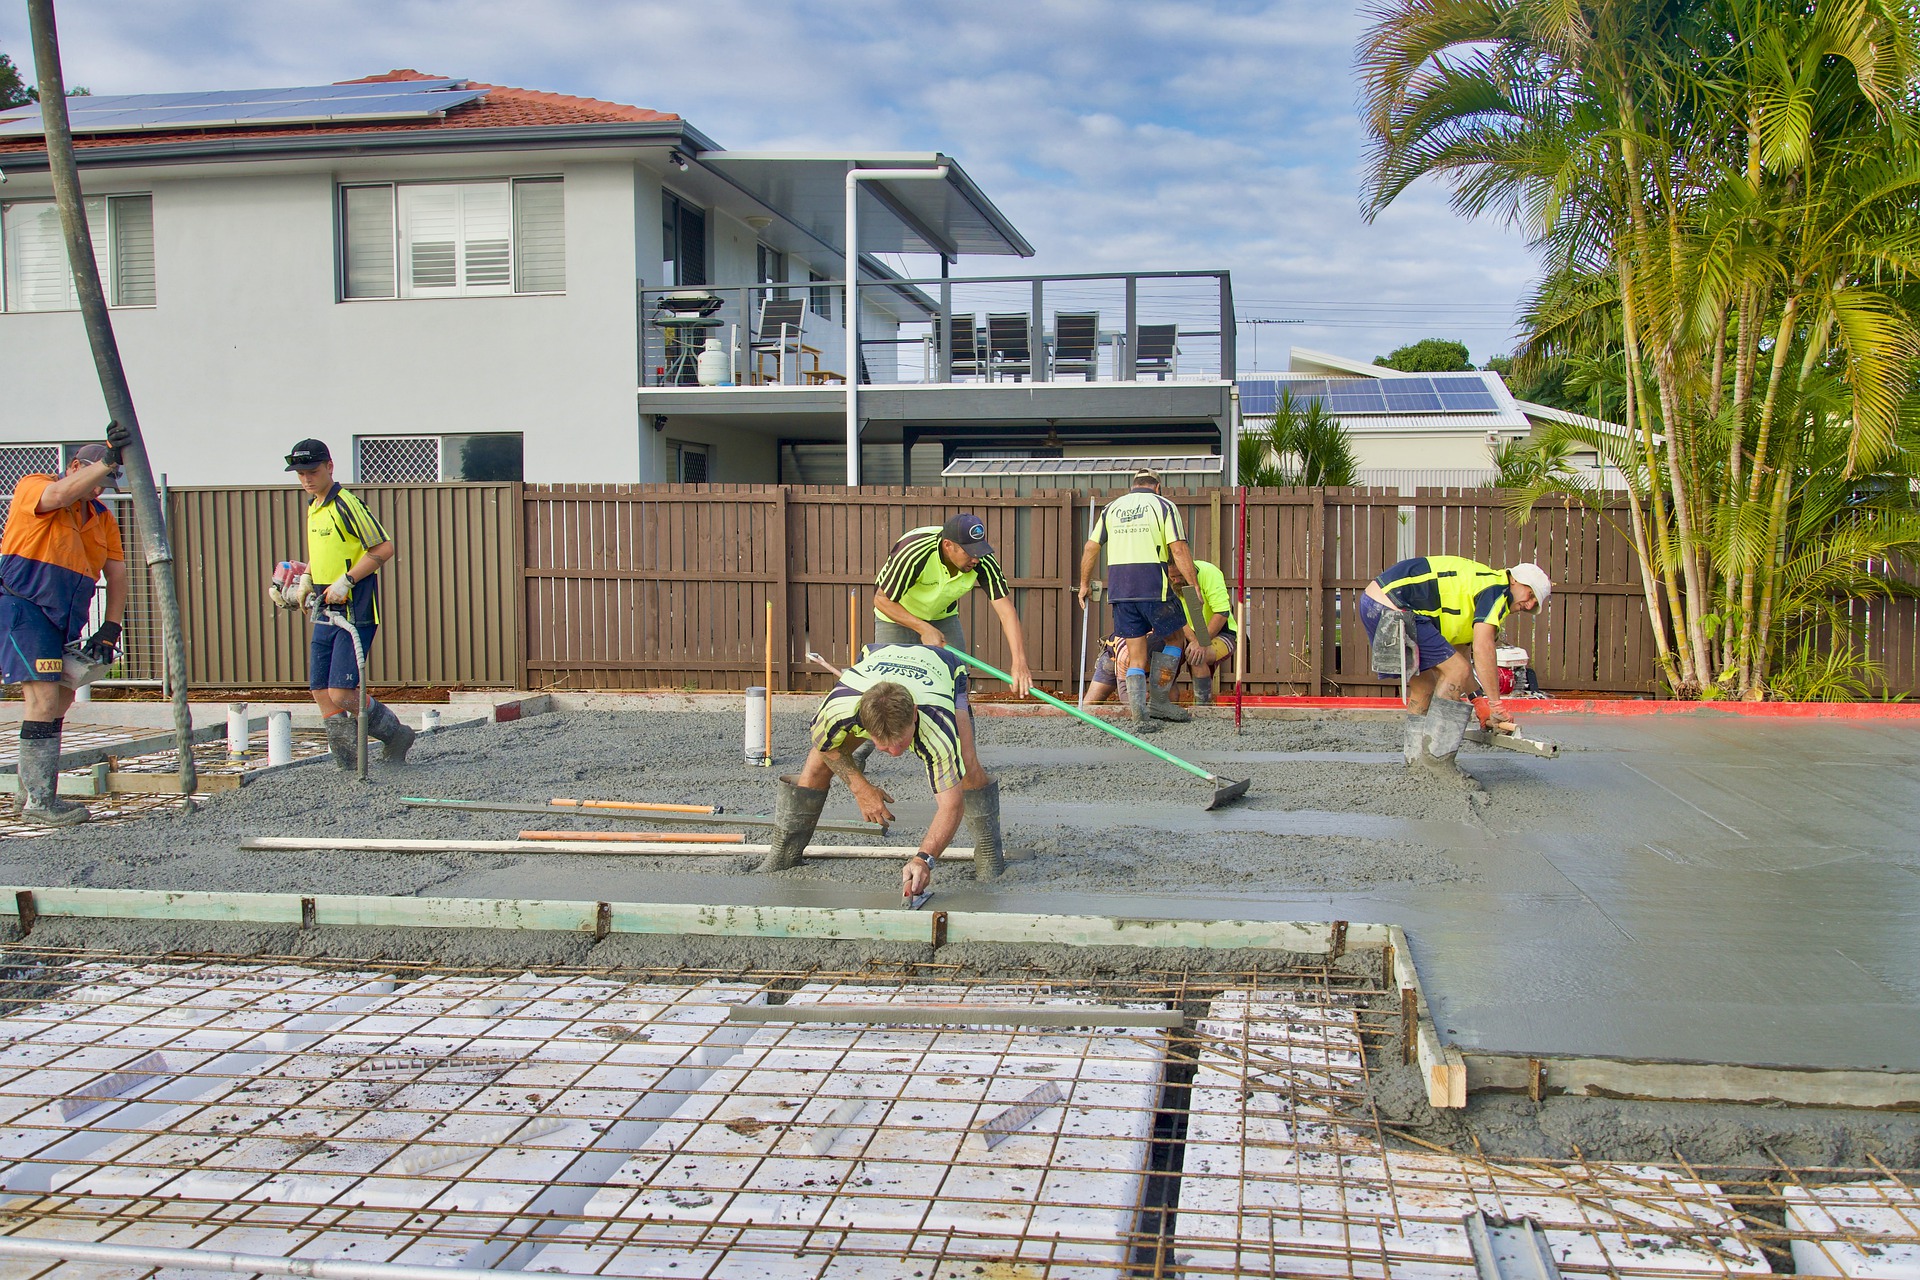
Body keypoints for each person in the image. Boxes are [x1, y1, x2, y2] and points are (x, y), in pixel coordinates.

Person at [758, 643, 1003, 899]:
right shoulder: (838, 709)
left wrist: (923, 859)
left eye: (901, 741)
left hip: (942, 666)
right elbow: (824, 746)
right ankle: (785, 852)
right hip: (877, 656)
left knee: (966, 763)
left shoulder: (937, 727)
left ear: (915, 716)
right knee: (817, 763)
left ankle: (989, 852)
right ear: (863, 722)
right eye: (881, 742)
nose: (894, 752)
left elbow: (951, 805)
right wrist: (861, 789)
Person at [0, 427, 132, 826]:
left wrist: (110, 626)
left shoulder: (100, 516)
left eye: (106, 484)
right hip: (25, 608)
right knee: (42, 699)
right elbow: (56, 496)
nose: (98, 490)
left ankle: (30, 793)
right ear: (76, 467)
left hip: (64, 616)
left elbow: (118, 572)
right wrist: (110, 457)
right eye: (95, 479)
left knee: (60, 700)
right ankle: (40, 804)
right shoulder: (35, 486)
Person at [284, 439, 414, 769]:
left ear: (329, 466)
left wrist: (347, 580)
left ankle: (395, 734)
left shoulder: (346, 504)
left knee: (341, 692)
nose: (306, 480)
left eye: (312, 472)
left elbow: (383, 548)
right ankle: (348, 762)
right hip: (325, 607)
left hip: (355, 607)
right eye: (300, 474)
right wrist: (306, 577)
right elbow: (321, 553)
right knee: (320, 690)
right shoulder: (314, 506)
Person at [1359, 556, 1550, 767]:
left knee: (1425, 686)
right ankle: (1438, 763)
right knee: (1455, 671)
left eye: (1535, 602)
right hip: (1395, 603)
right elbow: (1483, 649)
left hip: (1376, 602)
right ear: (1514, 580)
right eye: (1530, 594)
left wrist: (1479, 702)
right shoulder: (1497, 588)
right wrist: (1496, 705)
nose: (1530, 604)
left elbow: (1460, 654)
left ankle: (1417, 765)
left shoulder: (1479, 589)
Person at [1076, 469, 1202, 733]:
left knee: (1136, 655)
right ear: (1158, 487)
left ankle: (1139, 716)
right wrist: (1194, 586)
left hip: (1121, 590)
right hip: (1154, 586)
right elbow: (1178, 548)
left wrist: (1084, 585)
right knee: (1175, 638)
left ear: (1133, 487)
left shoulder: (1111, 508)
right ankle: (1158, 703)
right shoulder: (1164, 505)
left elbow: (1090, 548)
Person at [871, 513, 1033, 695]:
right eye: (969, 552)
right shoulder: (915, 552)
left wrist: (1019, 662)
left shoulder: (982, 560)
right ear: (948, 545)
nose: (976, 559)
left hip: (942, 616)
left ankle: (958, 722)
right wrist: (923, 628)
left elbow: (1006, 612)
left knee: (957, 681)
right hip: (895, 616)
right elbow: (882, 600)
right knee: (890, 688)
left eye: (978, 551)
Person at [1166, 557, 1236, 706]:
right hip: (1186, 632)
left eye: (1180, 576)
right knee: (1165, 654)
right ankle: (1166, 707)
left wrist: (1201, 642)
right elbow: (1175, 617)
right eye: (1172, 577)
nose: (1176, 581)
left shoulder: (1209, 572)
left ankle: (1202, 708)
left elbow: (1222, 612)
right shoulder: (1164, 579)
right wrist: (1194, 640)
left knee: (1197, 656)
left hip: (1220, 633)